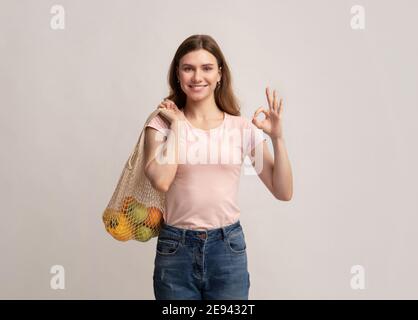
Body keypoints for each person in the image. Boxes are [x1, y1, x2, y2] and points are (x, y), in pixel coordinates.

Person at [143, 34, 293, 300]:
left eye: (207, 68)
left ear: (220, 74)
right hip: (175, 249)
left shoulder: (241, 128)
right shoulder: (161, 124)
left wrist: (277, 138)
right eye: (188, 68)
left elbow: (283, 191)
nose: (197, 77)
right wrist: (178, 126)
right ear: (177, 74)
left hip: (227, 250)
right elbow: (162, 181)